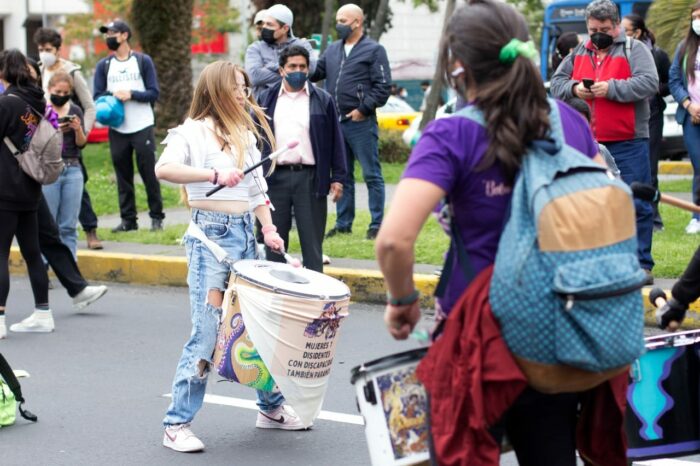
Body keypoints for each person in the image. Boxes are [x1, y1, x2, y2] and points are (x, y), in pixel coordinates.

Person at [376, 1, 627, 464]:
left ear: (457, 63)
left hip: (479, 333)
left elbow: (393, 239)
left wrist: (402, 303)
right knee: (550, 449)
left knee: (462, 449)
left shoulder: (450, 134)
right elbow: (601, 211)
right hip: (559, 324)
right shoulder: (569, 121)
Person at [155, 61, 307, 453]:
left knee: (257, 327)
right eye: (236, 88)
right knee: (208, 332)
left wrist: (269, 228)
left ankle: (270, 408)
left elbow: (256, 188)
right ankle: (176, 424)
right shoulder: (192, 131)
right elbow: (164, 169)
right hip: (210, 240)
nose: (244, 95)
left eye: (246, 88)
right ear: (216, 90)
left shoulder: (243, 132)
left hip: (244, 235)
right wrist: (213, 176)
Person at [551, 0, 658, 278]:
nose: (598, 33)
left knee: (635, 202)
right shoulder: (579, 52)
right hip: (589, 142)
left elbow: (649, 83)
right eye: (592, 28)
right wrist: (575, 89)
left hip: (628, 140)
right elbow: (557, 85)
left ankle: (641, 263)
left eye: (604, 29)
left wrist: (610, 89)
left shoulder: (636, 49)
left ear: (616, 26)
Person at [257, 45, 347, 272]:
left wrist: (337, 177)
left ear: (308, 69)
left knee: (312, 245)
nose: (298, 71)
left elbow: (336, 141)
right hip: (274, 179)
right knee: (275, 246)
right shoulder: (266, 99)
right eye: (292, 66)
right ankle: (275, 296)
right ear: (281, 70)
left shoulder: (322, 99)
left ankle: (314, 300)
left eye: (302, 67)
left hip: (310, 179)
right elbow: (255, 139)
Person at [311, 3, 391, 240]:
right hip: (335, 122)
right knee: (342, 176)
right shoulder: (333, 49)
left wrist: (362, 109)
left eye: (343, 21)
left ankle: (376, 225)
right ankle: (344, 224)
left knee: (371, 174)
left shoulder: (374, 50)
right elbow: (317, 72)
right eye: (337, 20)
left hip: (360, 123)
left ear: (357, 22)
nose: (339, 25)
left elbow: (383, 87)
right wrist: (298, 60)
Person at [0, 49, 54, 338]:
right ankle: (43, 312)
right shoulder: (37, 102)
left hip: (4, 188)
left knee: (1, 253)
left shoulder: (6, 103)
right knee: (33, 252)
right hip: (30, 188)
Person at [34, 27, 103, 250]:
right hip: (46, 140)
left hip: (70, 140)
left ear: (57, 49)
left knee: (77, 185)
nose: (44, 53)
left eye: (48, 49)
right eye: (41, 49)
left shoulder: (71, 72)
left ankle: (90, 229)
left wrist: (82, 131)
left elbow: (90, 106)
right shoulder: (39, 70)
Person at [93, 20, 164, 233]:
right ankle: (128, 220)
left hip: (142, 125)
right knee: (122, 176)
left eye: (112, 33)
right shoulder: (104, 66)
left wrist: (131, 94)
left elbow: (154, 92)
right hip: (117, 127)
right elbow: (97, 95)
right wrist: (113, 95)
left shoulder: (143, 61)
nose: (108, 37)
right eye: (106, 34)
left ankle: (156, 218)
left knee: (149, 173)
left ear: (124, 35)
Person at [622, 14, 671, 232]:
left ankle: (654, 218)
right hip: (627, 116)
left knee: (650, 168)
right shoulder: (620, 52)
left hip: (651, 116)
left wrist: (651, 89)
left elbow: (669, 82)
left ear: (638, 31)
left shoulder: (657, 55)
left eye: (626, 28)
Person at [42, 71, 86, 259]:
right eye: (58, 92)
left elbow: (82, 143)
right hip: (50, 168)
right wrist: (53, 130)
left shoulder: (75, 110)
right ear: (50, 89)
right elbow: (35, 143)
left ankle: (71, 267)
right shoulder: (42, 110)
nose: (61, 95)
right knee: (49, 223)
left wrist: (77, 130)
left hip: (73, 168)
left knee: (68, 225)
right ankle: (44, 265)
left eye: (65, 92)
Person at [669, 1, 700, 234]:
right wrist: (689, 105)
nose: (698, 21)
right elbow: (674, 81)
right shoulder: (684, 48)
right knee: (699, 166)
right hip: (692, 118)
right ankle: (696, 216)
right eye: (695, 17)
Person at [245, 4, 316, 99]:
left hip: (297, 103)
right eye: (264, 24)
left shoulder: (302, 45)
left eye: (269, 24)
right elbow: (254, 77)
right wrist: (291, 73)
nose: (264, 28)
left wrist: (268, 67)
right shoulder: (255, 48)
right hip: (264, 108)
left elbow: (310, 69)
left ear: (285, 28)